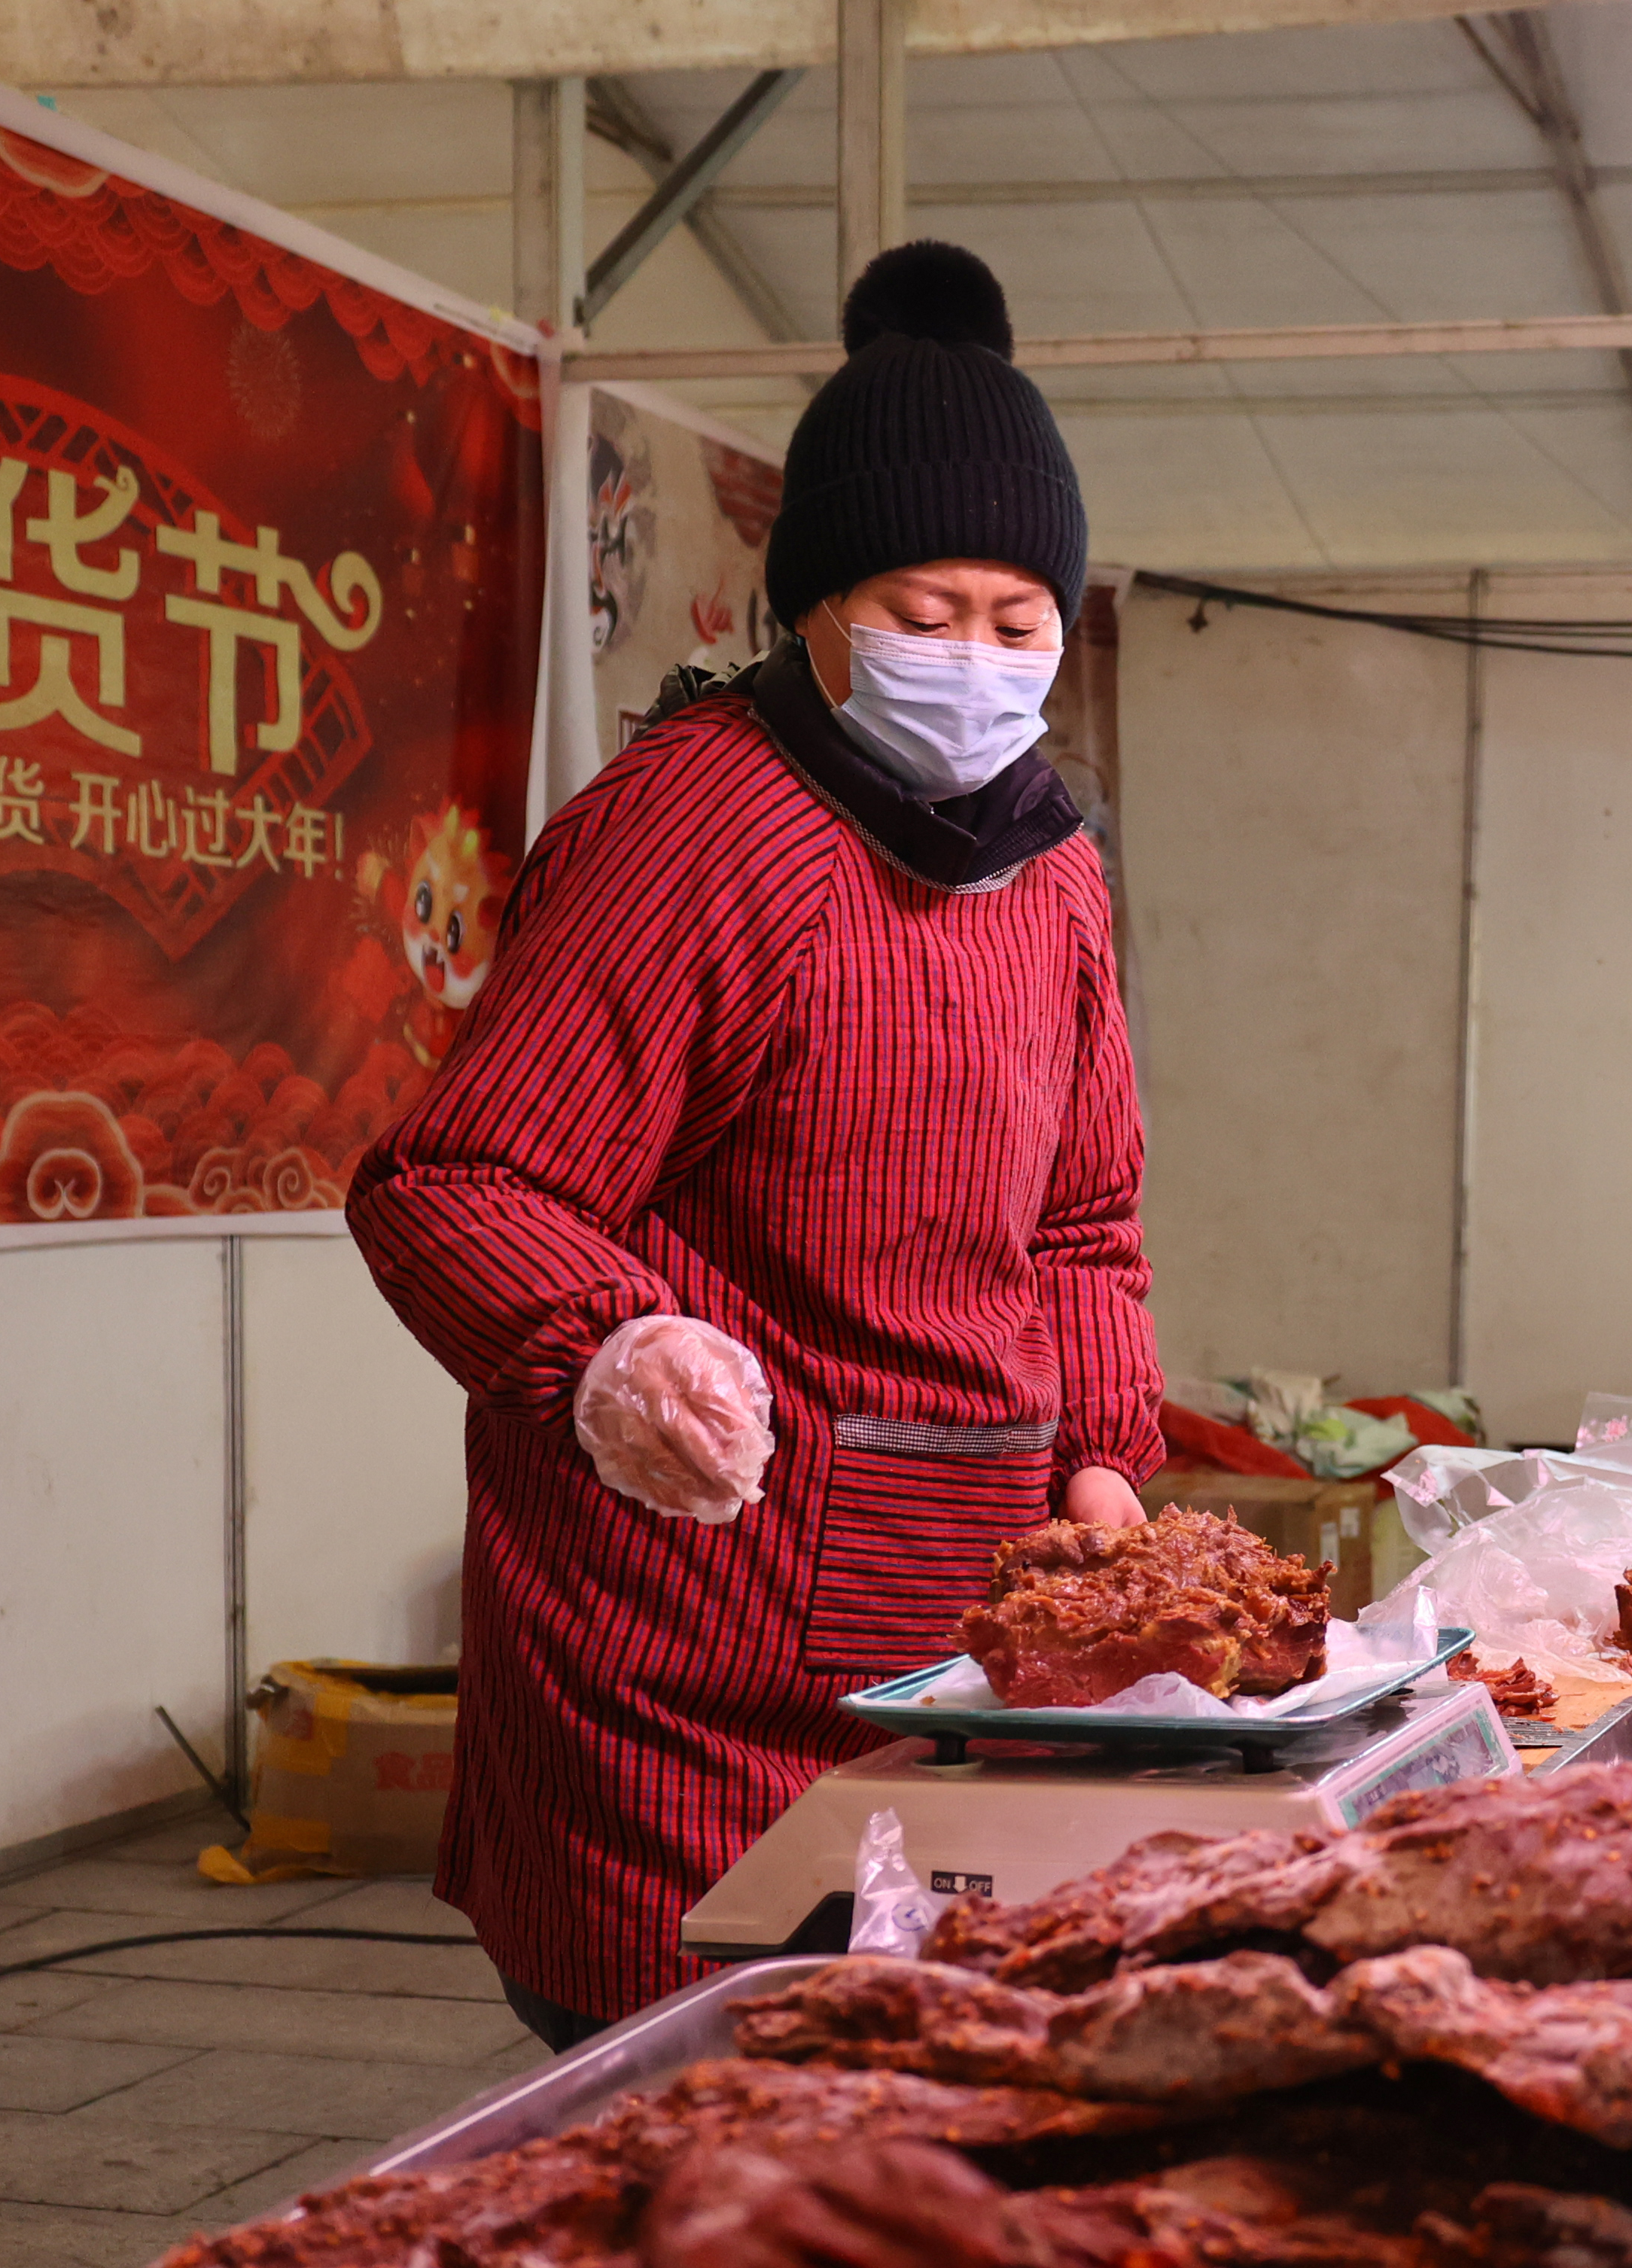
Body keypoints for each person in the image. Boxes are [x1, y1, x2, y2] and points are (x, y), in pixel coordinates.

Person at [349, 243, 1163, 2048]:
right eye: (920, 608)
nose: (971, 658)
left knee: (922, 2144)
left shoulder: (1052, 868)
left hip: (971, 1650)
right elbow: (455, 1183)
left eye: (1014, 621)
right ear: (812, 605)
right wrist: (606, 1351)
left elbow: (1085, 1223)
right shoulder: (694, 826)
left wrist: (1105, 1461)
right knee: (697, 2125)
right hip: (687, 1656)